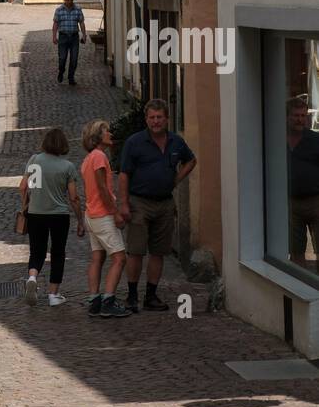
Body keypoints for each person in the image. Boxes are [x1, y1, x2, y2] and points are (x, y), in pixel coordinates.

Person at [117, 99, 197, 313]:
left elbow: (191, 160)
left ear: (167, 119)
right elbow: (124, 174)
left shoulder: (176, 142)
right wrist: (123, 203)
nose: (155, 121)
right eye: (151, 117)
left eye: (159, 117)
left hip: (164, 203)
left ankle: (151, 296)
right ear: (146, 119)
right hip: (139, 202)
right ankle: (132, 296)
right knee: (135, 251)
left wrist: (176, 179)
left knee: (159, 252)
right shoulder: (134, 142)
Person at [20, 127, 84, 307]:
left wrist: (25, 205)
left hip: (35, 213)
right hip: (59, 215)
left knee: (37, 251)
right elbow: (73, 197)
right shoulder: (67, 166)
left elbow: (24, 187)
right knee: (57, 253)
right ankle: (53, 294)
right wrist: (80, 219)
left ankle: (32, 277)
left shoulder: (34, 160)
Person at [81, 119, 130, 317]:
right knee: (119, 258)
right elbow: (102, 189)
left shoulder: (88, 158)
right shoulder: (100, 157)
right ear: (98, 137)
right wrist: (115, 212)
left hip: (91, 214)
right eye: (107, 131)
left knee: (97, 258)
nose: (110, 134)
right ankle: (108, 300)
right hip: (103, 215)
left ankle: (94, 299)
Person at [286, 95, 319, 273]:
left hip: (315, 202)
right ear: (287, 117)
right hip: (291, 204)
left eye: (302, 115)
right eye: (296, 115)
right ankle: (298, 287)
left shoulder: (314, 140)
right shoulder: (277, 140)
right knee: (295, 250)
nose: (300, 119)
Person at [52, 0, 87, 86]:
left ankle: (71, 77)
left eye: (70, 0)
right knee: (62, 58)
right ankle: (61, 71)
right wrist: (54, 36)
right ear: (64, 0)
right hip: (63, 37)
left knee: (74, 59)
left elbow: (81, 23)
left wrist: (84, 35)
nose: (68, 2)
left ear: (73, 0)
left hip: (74, 37)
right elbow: (55, 24)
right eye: (67, 0)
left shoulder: (78, 9)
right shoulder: (59, 10)